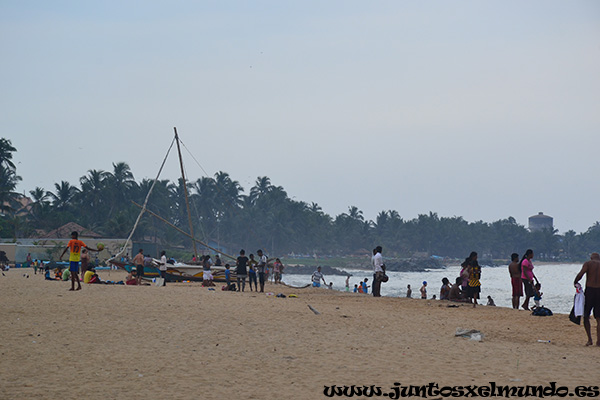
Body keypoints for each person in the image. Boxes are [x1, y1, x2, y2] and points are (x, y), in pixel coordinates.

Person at [574, 253, 600, 346]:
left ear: (591, 258)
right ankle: (599, 340)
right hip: (599, 291)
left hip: (590, 291)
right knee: (598, 317)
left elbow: (581, 274)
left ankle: (589, 339)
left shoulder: (588, 264)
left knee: (586, 315)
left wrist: (575, 282)